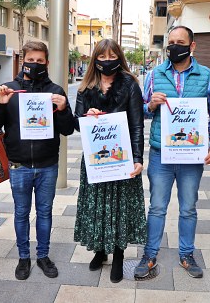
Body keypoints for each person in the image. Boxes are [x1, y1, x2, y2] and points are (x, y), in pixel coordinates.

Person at [134, 26, 210, 279]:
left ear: (192, 46)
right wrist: (150, 104)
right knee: (157, 207)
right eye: (171, 42)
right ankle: (149, 254)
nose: (174, 46)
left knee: (188, 208)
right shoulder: (154, 74)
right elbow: (141, 110)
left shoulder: (206, 76)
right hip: (161, 155)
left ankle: (187, 253)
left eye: (180, 42)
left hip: (191, 156)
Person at [0, 41, 75, 280]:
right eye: (30, 60)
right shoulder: (9, 91)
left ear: (47, 62)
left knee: (45, 213)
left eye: (40, 61)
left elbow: (67, 130)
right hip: (19, 165)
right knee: (21, 213)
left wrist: (64, 109)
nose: (35, 65)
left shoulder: (56, 91)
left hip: (47, 166)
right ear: (23, 60)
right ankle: (24, 258)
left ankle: (43, 256)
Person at [73, 38, 146, 283]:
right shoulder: (86, 87)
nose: (107, 61)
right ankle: (100, 251)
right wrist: (86, 116)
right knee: (98, 207)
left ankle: (118, 256)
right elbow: (77, 124)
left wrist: (138, 158)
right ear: (95, 59)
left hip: (121, 158)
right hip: (95, 160)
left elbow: (137, 124)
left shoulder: (130, 85)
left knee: (119, 207)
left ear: (119, 58)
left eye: (112, 56)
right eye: (102, 57)